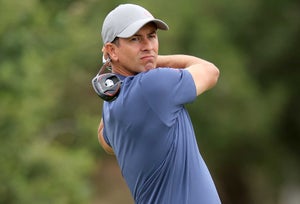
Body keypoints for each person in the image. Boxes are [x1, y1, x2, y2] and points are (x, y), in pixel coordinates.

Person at [95, 3, 221, 204]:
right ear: (112, 50)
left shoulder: (111, 107)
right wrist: (156, 60)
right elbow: (210, 71)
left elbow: (106, 142)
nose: (148, 46)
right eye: (135, 39)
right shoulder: (153, 85)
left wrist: (135, 62)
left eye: (151, 36)